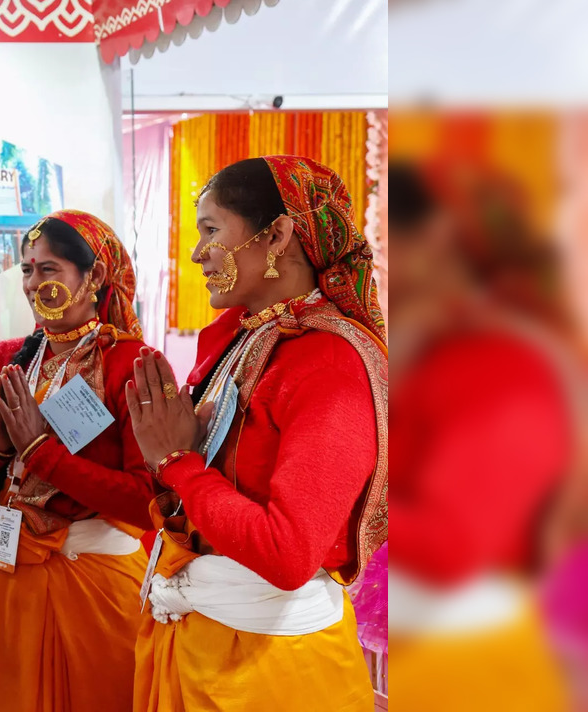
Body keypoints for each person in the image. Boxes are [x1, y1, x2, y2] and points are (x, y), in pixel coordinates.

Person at [126, 156, 386, 711]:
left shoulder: (329, 364)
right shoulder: (238, 340)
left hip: (273, 672)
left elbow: (288, 554)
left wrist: (176, 460)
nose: (197, 253)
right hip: (204, 641)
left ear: (277, 235)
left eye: (211, 230)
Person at [0, 210, 155, 712]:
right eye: (27, 270)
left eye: (49, 269)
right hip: (12, 580)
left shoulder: (132, 365)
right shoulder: (7, 361)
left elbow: (146, 503)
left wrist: (41, 452)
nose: (34, 284)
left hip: (96, 587)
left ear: (95, 276)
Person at [384, 160, 580, 710]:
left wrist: (345, 484)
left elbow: (455, 548)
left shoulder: (500, 362)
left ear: (437, 238)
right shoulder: (418, 346)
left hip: (468, 661)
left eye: (382, 247)